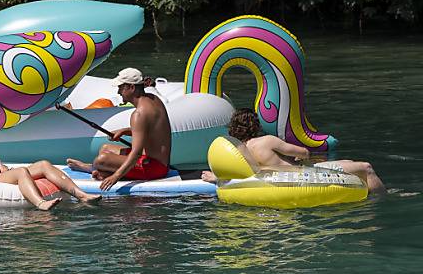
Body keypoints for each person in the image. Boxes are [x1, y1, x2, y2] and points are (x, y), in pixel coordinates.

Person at [201, 108, 386, 194]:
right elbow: (304, 152)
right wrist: (299, 154)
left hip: (273, 179)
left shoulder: (240, 152)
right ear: (255, 126)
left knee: (350, 163)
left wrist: (216, 178)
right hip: (302, 174)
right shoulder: (266, 141)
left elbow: (241, 175)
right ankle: (384, 197)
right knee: (365, 167)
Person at [0, 122, 101, 210]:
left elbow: (0, 167)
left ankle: (81, 195)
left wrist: (3, 167)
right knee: (22, 171)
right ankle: (40, 203)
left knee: (43, 164)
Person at [66, 67, 172, 191]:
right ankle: (98, 170)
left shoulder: (139, 114)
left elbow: (136, 154)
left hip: (155, 169)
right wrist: (124, 131)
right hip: (155, 161)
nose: (118, 92)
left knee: (102, 159)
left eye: (121, 87)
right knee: (105, 148)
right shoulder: (154, 99)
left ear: (131, 87)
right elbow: (150, 129)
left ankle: (96, 169)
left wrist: (116, 177)